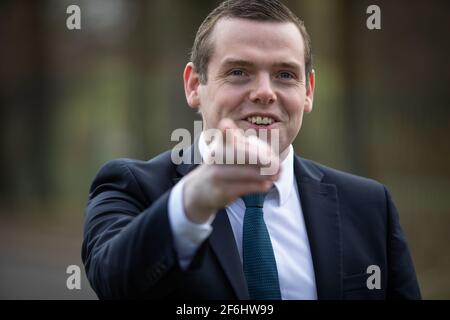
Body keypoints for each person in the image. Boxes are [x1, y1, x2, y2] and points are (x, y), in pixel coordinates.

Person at [82, 0, 421, 300]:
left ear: (309, 91)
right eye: (239, 72)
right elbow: (114, 282)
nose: (264, 92)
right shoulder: (131, 187)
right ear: (194, 86)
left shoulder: (370, 206)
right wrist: (197, 198)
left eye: (285, 74)